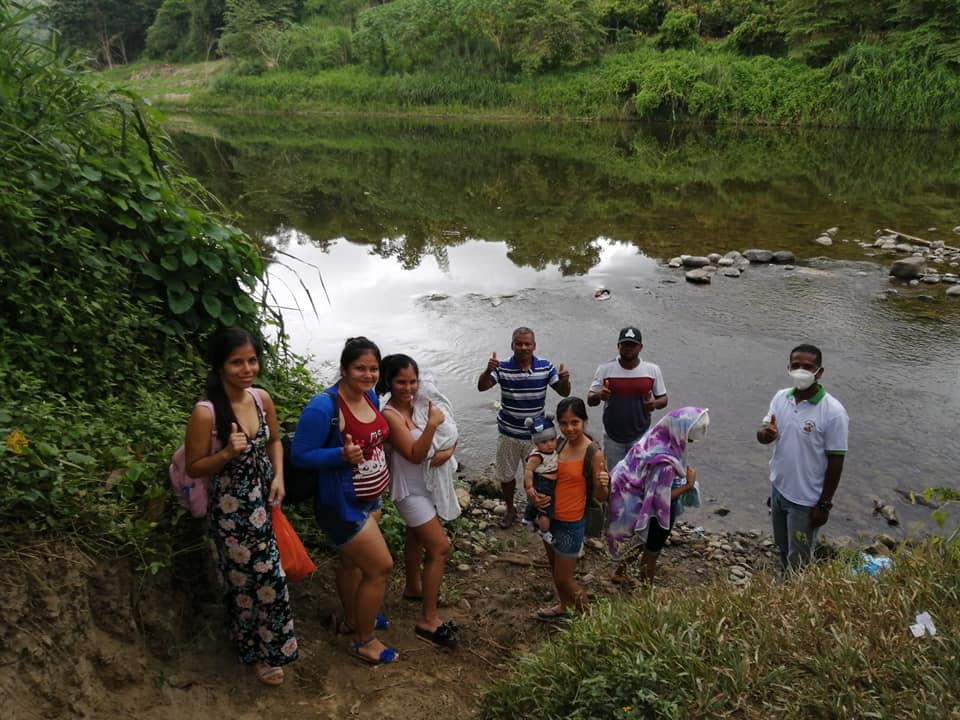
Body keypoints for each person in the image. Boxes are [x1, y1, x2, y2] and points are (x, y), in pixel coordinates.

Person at [183, 328, 297, 686]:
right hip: (231, 514)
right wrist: (226, 453)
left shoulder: (261, 399)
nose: (247, 369)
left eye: (252, 360)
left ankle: (267, 649)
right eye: (237, 362)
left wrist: (279, 477)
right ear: (219, 366)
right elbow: (194, 467)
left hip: (264, 502)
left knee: (268, 578)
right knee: (248, 582)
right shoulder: (205, 413)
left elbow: (274, 441)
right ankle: (257, 652)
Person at [291, 337, 397, 666]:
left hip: (369, 497)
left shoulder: (369, 396)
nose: (368, 375)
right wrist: (339, 454)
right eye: (360, 368)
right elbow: (299, 455)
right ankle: (364, 641)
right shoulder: (323, 407)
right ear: (344, 369)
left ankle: (355, 617)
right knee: (380, 567)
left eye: (373, 369)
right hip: (341, 505)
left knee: (352, 563)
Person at [378, 354, 461, 650]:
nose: (408, 388)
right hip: (409, 491)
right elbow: (414, 454)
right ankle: (428, 620)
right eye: (401, 382)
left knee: (415, 537)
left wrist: (446, 450)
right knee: (439, 548)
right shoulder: (390, 414)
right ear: (388, 382)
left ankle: (413, 587)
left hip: (427, 486)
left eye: (413, 381)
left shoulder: (420, 403)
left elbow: (448, 433)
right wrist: (433, 427)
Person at [757, 344, 848, 573]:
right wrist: (766, 434)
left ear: (819, 372)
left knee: (799, 559)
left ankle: (795, 591)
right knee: (782, 547)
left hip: (806, 501)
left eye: (807, 367)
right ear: (788, 368)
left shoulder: (833, 412)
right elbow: (763, 434)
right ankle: (784, 586)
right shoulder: (781, 398)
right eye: (796, 365)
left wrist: (824, 504)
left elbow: (836, 462)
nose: (801, 371)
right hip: (779, 490)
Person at [477, 327, 571, 528]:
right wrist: (487, 371)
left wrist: (565, 380)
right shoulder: (502, 367)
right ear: (512, 345)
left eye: (527, 344)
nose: (523, 347)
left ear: (534, 346)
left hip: (536, 436)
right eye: (519, 343)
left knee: (539, 475)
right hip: (508, 433)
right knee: (506, 475)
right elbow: (482, 387)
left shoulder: (545, 367)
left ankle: (536, 510)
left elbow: (564, 393)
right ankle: (510, 509)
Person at [606, 407, 709, 585]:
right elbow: (660, 501)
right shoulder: (665, 464)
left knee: (639, 541)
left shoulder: (655, 438)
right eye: (689, 437)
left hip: (634, 498)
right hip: (652, 510)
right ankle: (646, 590)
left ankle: (620, 573)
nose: (689, 441)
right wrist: (688, 485)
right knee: (652, 550)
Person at [528, 397, 609, 621]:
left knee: (565, 578)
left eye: (575, 422)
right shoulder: (558, 444)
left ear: (584, 421)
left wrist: (604, 483)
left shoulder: (593, 453)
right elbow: (544, 475)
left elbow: (600, 497)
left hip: (571, 523)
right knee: (555, 569)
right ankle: (564, 606)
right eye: (563, 423)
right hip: (549, 517)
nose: (569, 428)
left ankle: (592, 623)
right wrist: (534, 497)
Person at [587, 326, 668, 472]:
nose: (628, 349)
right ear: (618, 346)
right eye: (624, 344)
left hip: (641, 436)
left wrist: (654, 404)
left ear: (640, 347)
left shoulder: (652, 370)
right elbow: (590, 400)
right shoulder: (605, 369)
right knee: (614, 477)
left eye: (632, 345)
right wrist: (600, 396)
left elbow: (663, 399)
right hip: (612, 438)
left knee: (638, 477)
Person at [521, 414, 559, 542]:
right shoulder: (537, 456)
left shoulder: (552, 451)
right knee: (545, 510)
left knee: (536, 505)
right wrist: (530, 487)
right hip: (543, 483)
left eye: (552, 440)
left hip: (550, 483)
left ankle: (527, 519)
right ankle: (545, 532)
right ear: (536, 443)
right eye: (544, 442)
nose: (549, 444)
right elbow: (528, 471)